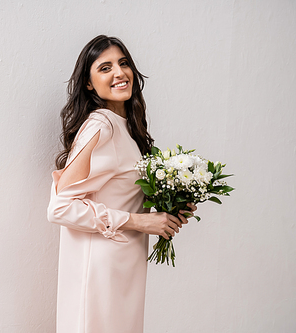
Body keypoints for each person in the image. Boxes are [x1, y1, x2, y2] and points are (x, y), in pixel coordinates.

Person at [47, 35, 197, 333]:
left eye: (123, 63)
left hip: (125, 265)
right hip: (102, 267)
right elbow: (60, 207)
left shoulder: (126, 129)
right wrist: (138, 221)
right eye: (105, 68)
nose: (119, 72)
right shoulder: (101, 125)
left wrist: (168, 211)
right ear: (89, 84)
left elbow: (122, 194)